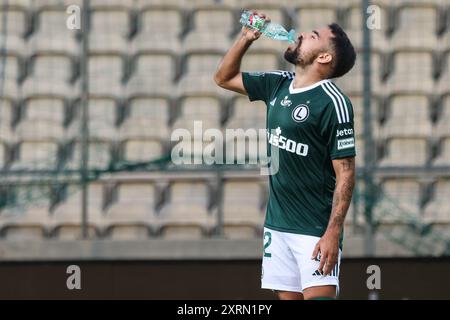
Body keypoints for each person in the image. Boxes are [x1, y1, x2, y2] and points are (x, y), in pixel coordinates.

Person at [214, 11, 357, 300]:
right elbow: (223, 78)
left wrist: (333, 232)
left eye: (313, 36)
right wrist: (246, 38)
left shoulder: (333, 102)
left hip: (314, 230)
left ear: (325, 58)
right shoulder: (278, 83)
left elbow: (346, 172)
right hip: (277, 226)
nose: (302, 34)